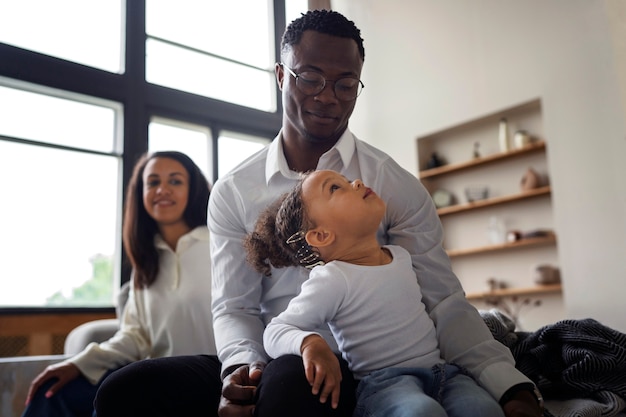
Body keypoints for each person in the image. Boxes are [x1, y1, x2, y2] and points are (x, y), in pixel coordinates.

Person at [95, 9, 543, 417]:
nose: (328, 96)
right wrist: (241, 371)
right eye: (310, 77)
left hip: (369, 366)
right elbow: (235, 306)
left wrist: (510, 388)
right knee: (123, 391)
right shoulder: (234, 191)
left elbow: (444, 301)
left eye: (345, 84)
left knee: (290, 385)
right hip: (276, 350)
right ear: (280, 76)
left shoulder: (390, 185)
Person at [245, 169, 506, 417]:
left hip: (445, 374)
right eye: (336, 188)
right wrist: (309, 343)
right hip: (388, 385)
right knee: (422, 413)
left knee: (485, 410)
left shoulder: (401, 256)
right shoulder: (333, 278)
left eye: (347, 180)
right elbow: (276, 330)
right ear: (322, 235)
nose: (356, 182)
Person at [22, 150, 220, 417]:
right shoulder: (146, 263)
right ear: (141, 193)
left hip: (208, 376)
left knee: (117, 396)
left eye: (175, 181)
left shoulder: (219, 246)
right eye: (152, 182)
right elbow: (135, 337)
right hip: (153, 377)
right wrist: (79, 363)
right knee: (53, 392)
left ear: (193, 190)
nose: (162, 189)